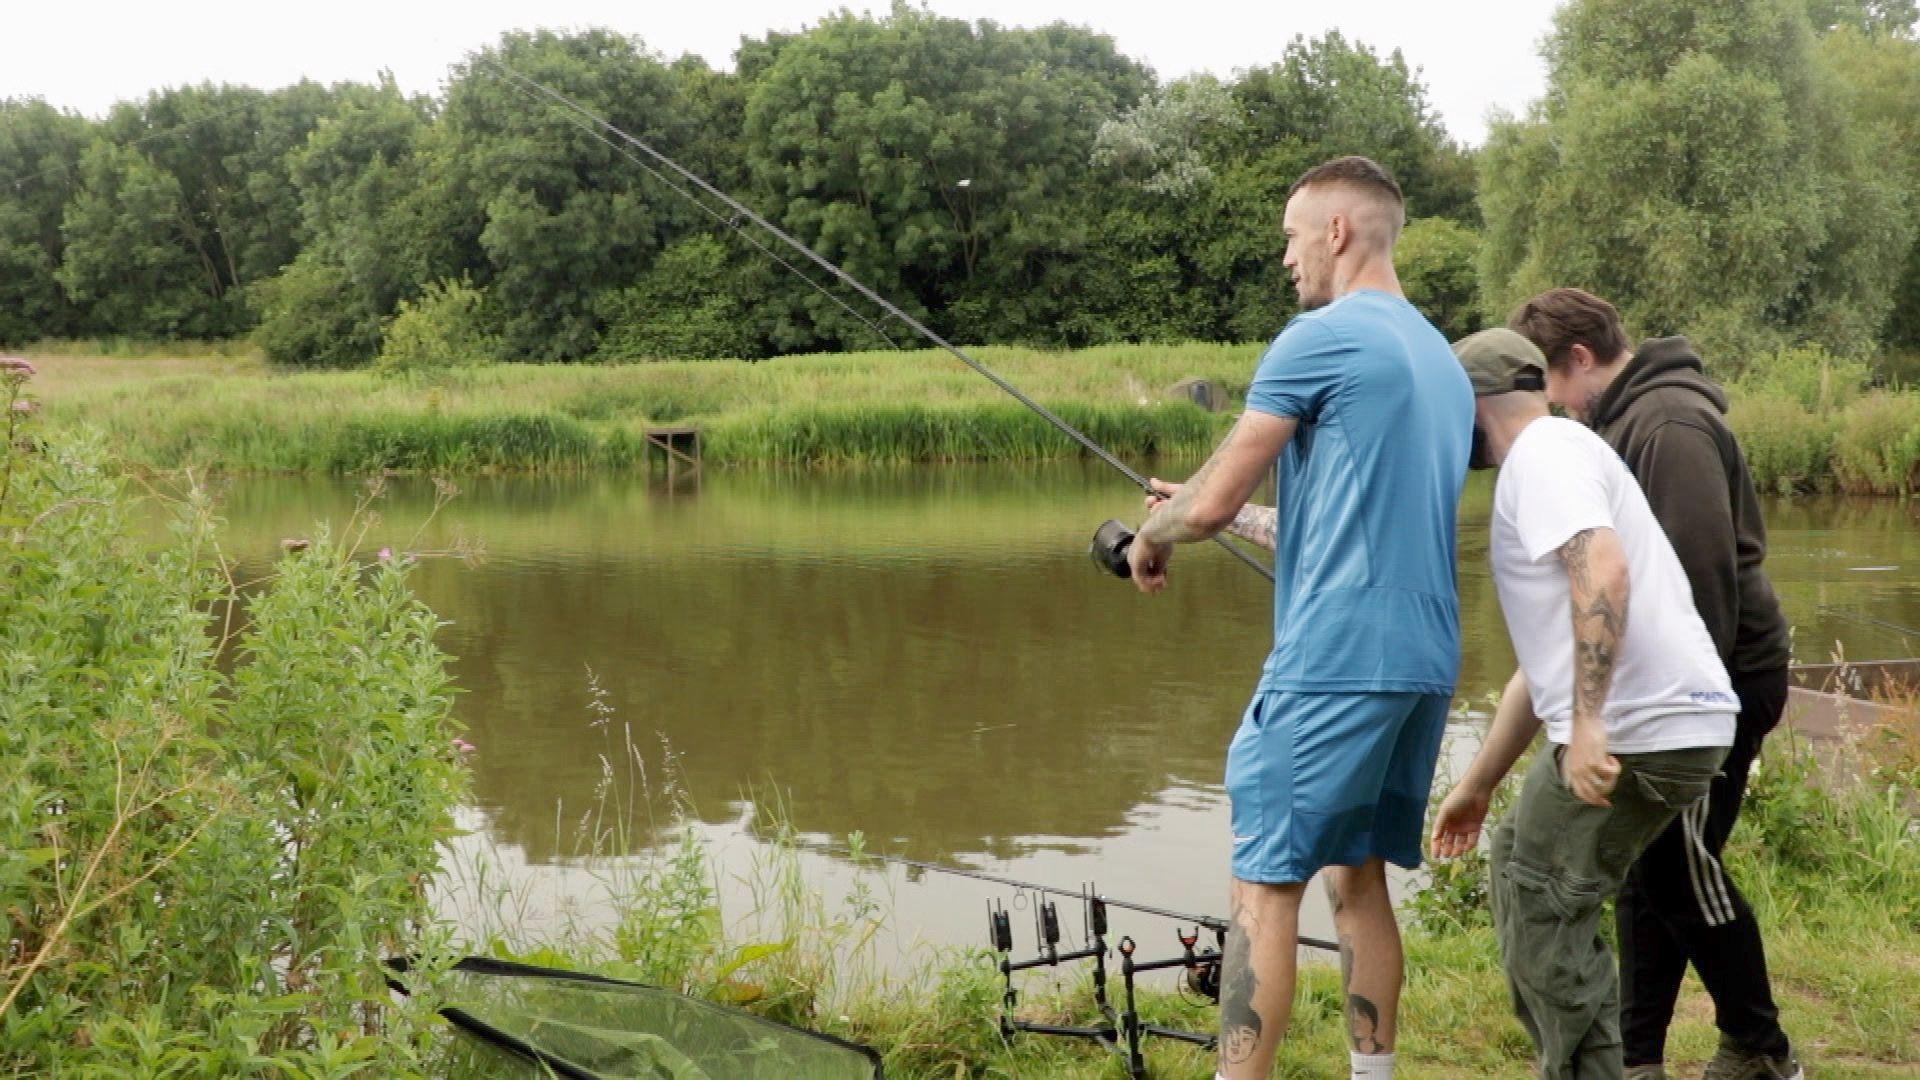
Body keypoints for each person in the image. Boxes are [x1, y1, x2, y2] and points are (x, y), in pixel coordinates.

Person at [1129, 155, 1472, 1080]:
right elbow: (1343, 521)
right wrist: (1215, 507)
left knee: (1263, 884)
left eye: (1290, 235)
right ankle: (1375, 1075)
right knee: (1357, 875)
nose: (1286, 257)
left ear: (1336, 232)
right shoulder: (1438, 358)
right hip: (1425, 656)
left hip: (1333, 658)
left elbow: (1202, 506)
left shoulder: (1315, 337)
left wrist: (1151, 534)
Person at [1431, 328, 1738, 1080]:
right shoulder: (1561, 450)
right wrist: (1477, 787)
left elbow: (1602, 570)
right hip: (1674, 720)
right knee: (1522, 868)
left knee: (1541, 909)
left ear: (1469, 403)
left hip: (1642, 724)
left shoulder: (1542, 456)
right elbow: (1544, 669)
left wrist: (1594, 724)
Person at [1510, 288, 1801, 1080]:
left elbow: (1700, 584)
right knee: (1651, 875)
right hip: (1673, 692)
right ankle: (1640, 1056)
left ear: (1577, 360)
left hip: (1713, 684)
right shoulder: (1622, 422)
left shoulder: (1667, 426)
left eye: (1548, 387)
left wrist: (1660, 709)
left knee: (1681, 871)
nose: (1549, 409)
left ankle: (1761, 1049)